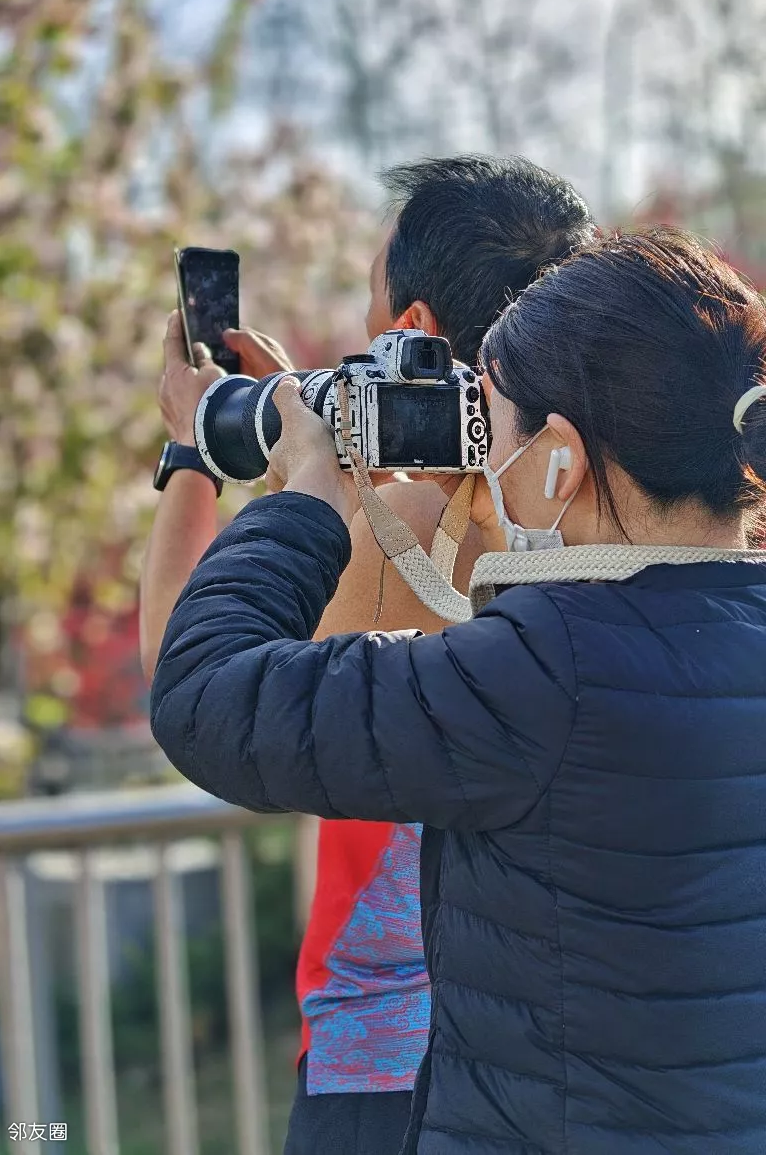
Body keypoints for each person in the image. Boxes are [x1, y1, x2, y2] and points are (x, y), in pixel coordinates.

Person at [152, 227, 766, 1155]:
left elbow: (205, 696)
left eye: (496, 421)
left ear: (558, 460)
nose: (483, 448)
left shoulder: (544, 668)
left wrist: (312, 492)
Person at [140, 155, 595, 1154]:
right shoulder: (604, 515)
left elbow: (186, 660)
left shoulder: (402, 530)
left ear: (413, 330)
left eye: (371, 306)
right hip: (562, 1063)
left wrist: (196, 447)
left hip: (383, 1070)